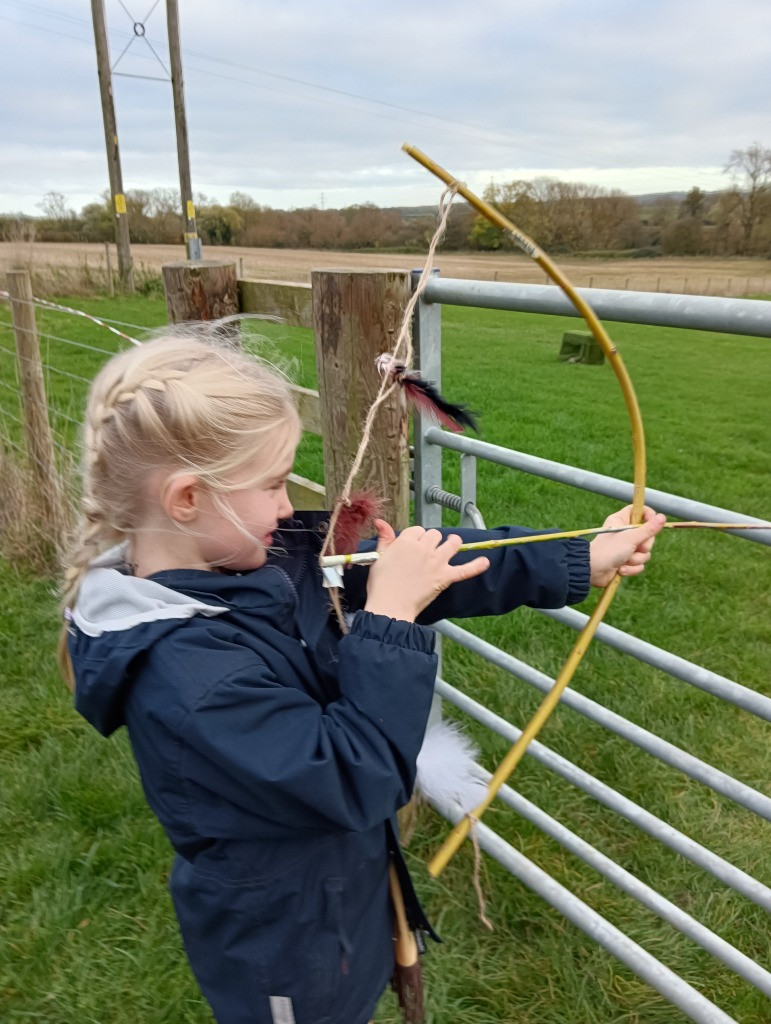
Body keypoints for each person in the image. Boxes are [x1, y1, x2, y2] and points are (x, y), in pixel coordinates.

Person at [60, 330, 664, 1024]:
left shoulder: (262, 557)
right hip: (283, 958)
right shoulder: (186, 679)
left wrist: (578, 557)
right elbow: (351, 774)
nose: (288, 506)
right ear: (188, 499)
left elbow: (426, 562)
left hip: (343, 897)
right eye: (272, 483)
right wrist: (390, 621)